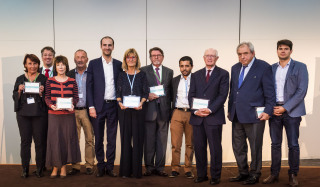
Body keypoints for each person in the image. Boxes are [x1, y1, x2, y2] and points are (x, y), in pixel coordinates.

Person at [262, 39, 308, 187]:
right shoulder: (271, 68)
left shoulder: (300, 67)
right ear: (277, 51)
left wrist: (285, 108)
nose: (283, 51)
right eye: (280, 48)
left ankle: (293, 174)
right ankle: (274, 174)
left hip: (292, 112)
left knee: (293, 145)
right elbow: (267, 90)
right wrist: (271, 108)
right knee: (275, 144)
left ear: (291, 51)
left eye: (286, 49)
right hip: (274, 111)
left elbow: (302, 91)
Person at [228, 42, 275, 185]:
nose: (242, 57)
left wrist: (268, 111)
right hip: (236, 115)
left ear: (253, 53)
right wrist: (230, 110)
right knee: (238, 146)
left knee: (255, 147)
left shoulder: (263, 67)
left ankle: (255, 173)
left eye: (245, 53)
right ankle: (243, 172)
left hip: (255, 115)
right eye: (240, 54)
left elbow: (270, 92)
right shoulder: (235, 68)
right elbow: (233, 91)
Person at [188, 49, 229, 185]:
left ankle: (216, 176)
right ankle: (201, 174)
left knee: (215, 148)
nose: (210, 58)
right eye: (207, 56)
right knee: (199, 147)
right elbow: (191, 95)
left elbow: (222, 95)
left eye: (212, 56)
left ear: (217, 58)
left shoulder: (223, 74)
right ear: (203, 58)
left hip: (214, 116)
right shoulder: (196, 75)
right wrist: (195, 111)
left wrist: (210, 109)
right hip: (198, 117)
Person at [86, 36, 122, 177]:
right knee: (99, 138)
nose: (107, 47)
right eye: (105, 45)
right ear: (101, 46)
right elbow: (89, 87)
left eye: (110, 45)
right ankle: (101, 166)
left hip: (113, 106)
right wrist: (91, 106)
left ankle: (110, 166)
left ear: (113, 47)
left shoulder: (119, 64)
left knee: (112, 139)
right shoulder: (93, 64)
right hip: (98, 107)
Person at [45, 55, 81, 179]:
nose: (61, 67)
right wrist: (51, 105)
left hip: (68, 116)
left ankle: (64, 167)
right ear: (55, 66)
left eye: (63, 64)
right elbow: (47, 97)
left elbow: (76, 97)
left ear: (66, 66)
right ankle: (55, 167)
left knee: (66, 141)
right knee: (55, 141)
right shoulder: (49, 81)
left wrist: (73, 104)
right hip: (54, 116)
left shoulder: (72, 81)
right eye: (58, 64)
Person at [13, 54, 47, 178]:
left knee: (40, 142)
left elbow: (48, 98)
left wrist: (42, 94)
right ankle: (25, 169)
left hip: (39, 114)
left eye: (35, 63)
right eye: (30, 63)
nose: (32, 66)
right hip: (23, 115)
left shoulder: (43, 78)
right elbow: (14, 96)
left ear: (38, 64)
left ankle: (39, 168)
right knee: (25, 142)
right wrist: (19, 91)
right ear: (25, 65)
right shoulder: (20, 78)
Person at [141, 47, 173, 177]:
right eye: (153, 55)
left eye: (158, 55)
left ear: (163, 57)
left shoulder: (169, 72)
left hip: (164, 111)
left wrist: (171, 110)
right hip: (149, 110)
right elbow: (140, 89)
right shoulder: (143, 70)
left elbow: (170, 92)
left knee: (162, 141)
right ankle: (149, 167)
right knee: (149, 141)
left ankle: (160, 167)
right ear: (150, 58)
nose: (156, 57)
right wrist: (147, 95)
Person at [116, 48, 149, 178]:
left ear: (137, 59)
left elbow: (145, 92)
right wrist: (119, 103)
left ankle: (136, 171)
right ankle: (125, 171)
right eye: (128, 57)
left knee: (138, 140)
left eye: (133, 57)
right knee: (125, 140)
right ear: (125, 60)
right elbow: (118, 94)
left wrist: (141, 104)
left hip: (138, 111)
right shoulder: (121, 75)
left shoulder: (142, 75)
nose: (131, 60)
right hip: (124, 111)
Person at [66, 49, 95, 175]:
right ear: (74, 59)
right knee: (74, 139)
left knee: (89, 139)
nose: (80, 59)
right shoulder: (69, 74)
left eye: (83, 57)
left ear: (87, 59)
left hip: (87, 111)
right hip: (72, 111)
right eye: (78, 57)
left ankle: (89, 165)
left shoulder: (92, 74)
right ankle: (75, 166)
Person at [169, 56, 194, 179]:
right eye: (182, 66)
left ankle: (188, 169)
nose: (184, 68)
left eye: (187, 66)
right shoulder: (174, 80)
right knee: (175, 144)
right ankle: (175, 169)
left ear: (191, 67)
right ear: (179, 67)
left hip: (192, 114)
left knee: (190, 144)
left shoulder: (196, 80)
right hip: (177, 113)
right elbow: (169, 97)